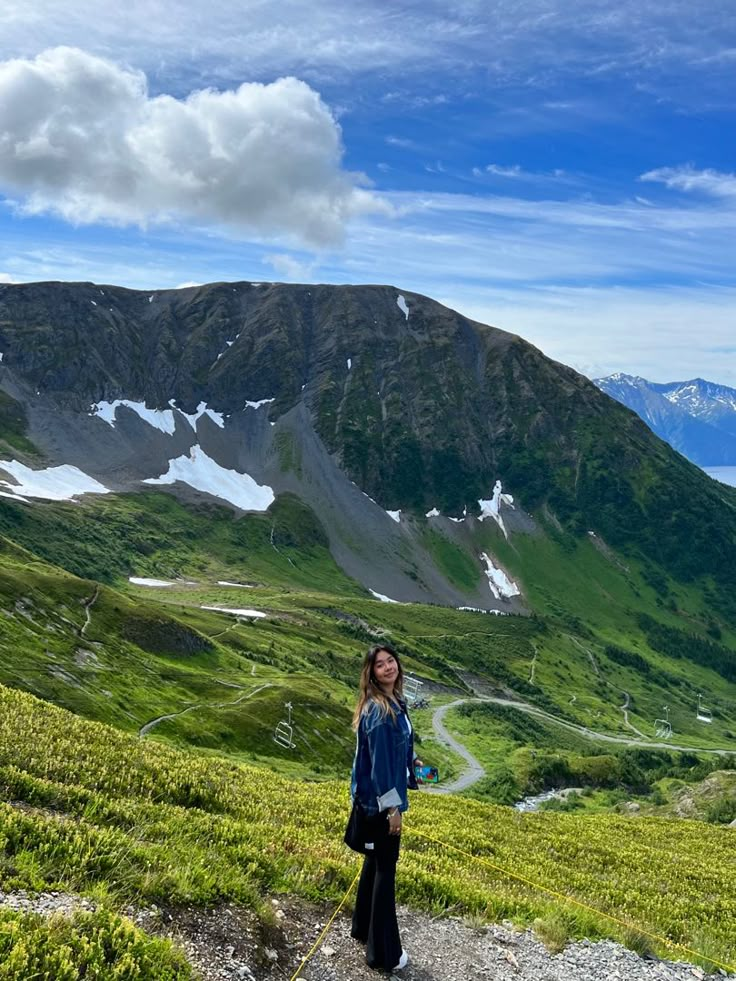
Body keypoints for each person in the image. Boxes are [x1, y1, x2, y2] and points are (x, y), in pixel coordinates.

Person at [350, 644, 422, 973]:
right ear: (372, 674)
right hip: (380, 803)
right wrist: (393, 809)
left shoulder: (396, 702)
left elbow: (398, 748)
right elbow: (379, 768)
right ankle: (384, 955)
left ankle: (363, 929)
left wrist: (414, 765)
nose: (388, 668)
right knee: (385, 868)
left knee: (375, 862)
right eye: (380, 665)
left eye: (391, 661)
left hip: (380, 799)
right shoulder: (379, 711)